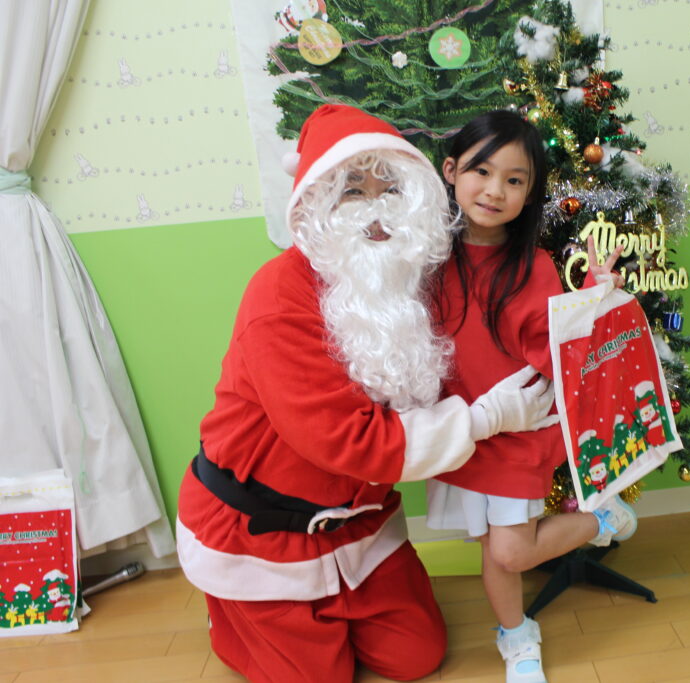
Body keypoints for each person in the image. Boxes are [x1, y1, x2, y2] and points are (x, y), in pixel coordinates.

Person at [175, 104, 559, 683]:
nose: (377, 209)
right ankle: (232, 609)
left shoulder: (404, 275)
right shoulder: (277, 298)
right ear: (316, 203)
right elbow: (349, 441)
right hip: (266, 531)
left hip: (361, 523)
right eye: (353, 191)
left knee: (417, 657)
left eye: (391, 189)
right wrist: (484, 419)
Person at [427, 110, 636, 683]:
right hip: (463, 431)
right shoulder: (429, 259)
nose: (495, 190)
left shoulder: (534, 265)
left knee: (511, 551)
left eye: (514, 179)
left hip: (519, 429)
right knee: (490, 547)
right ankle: (516, 637)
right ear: (451, 171)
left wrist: (595, 297)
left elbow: (558, 349)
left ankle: (600, 519)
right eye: (482, 171)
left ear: (529, 192)